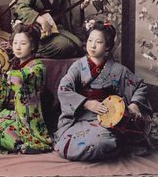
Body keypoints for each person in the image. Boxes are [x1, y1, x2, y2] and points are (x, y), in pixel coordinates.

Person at [54, 21, 152, 161]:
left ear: (108, 46)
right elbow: (64, 89)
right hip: (80, 117)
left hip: (107, 119)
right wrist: (86, 103)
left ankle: (115, 142)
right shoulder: (78, 66)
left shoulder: (118, 70)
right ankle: (118, 146)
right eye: (90, 40)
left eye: (98, 42)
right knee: (68, 144)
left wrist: (134, 104)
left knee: (101, 143)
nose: (92, 45)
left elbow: (140, 86)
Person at [0, 23, 53, 154]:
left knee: (3, 131)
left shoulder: (37, 68)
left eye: (23, 43)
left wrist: (5, 75)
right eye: (15, 42)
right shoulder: (14, 65)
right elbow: (2, 100)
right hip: (10, 114)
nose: (17, 47)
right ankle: (19, 145)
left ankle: (23, 145)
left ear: (33, 46)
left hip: (28, 116)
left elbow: (18, 80)